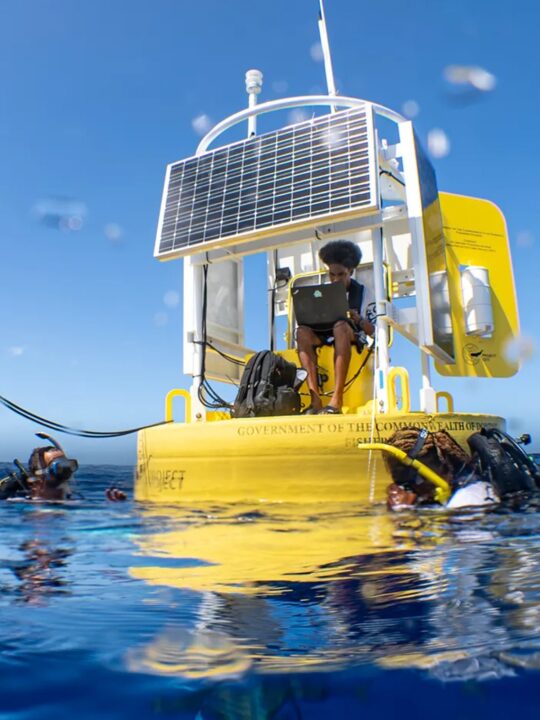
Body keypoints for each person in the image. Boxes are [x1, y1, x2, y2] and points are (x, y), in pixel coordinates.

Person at [296, 240, 375, 414]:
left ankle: (336, 399)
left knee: (340, 327)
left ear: (351, 272)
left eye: (341, 274)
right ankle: (315, 400)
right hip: (324, 333)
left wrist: (358, 319)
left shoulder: (364, 293)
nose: (336, 279)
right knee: (301, 332)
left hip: (351, 334)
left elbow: (374, 330)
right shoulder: (321, 292)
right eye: (332, 274)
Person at [383, 426, 538, 511]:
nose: (405, 487)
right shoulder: (457, 485)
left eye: (408, 480)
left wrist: (403, 517)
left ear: (442, 468)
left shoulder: (467, 500)